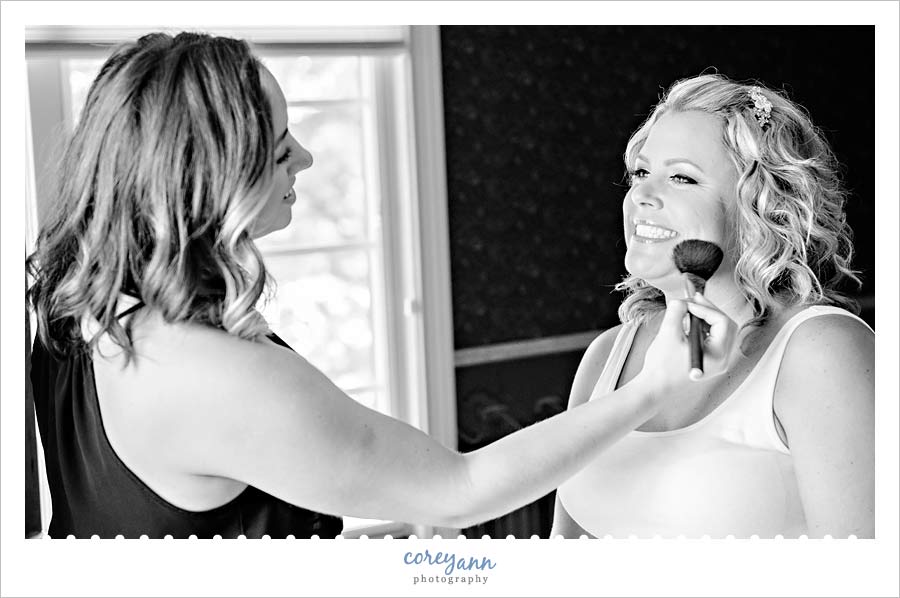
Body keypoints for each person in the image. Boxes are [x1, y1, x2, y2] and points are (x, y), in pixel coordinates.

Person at [26, 33, 735, 539]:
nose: (304, 157)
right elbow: (461, 490)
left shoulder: (71, 304)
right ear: (209, 185)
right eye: (278, 148)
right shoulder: (213, 377)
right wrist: (649, 390)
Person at [552, 74, 875, 539]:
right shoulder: (608, 355)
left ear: (758, 207)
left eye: (681, 177)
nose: (641, 195)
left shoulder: (821, 352)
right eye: (641, 173)